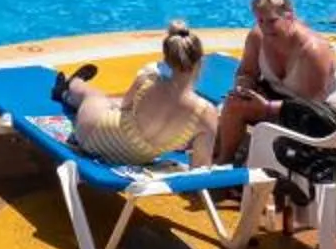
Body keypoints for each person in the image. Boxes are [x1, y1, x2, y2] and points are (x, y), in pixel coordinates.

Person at [213, 0, 336, 165]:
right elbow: (247, 72)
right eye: (260, 21)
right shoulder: (258, 37)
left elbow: (311, 106)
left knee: (241, 113)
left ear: (289, 17)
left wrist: (267, 107)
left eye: (272, 21)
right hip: (284, 103)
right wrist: (244, 88)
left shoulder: (313, 51)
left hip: (326, 117)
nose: (265, 27)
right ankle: (224, 162)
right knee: (234, 104)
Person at [54, 20, 216, 167]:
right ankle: (68, 90)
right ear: (201, 62)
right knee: (107, 102)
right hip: (136, 159)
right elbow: (201, 168)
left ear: (167, 59)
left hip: (92, 136)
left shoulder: (148, 78)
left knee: (95, 96)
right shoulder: (206, 113)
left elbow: (124, 106)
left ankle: (71, 85)